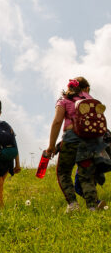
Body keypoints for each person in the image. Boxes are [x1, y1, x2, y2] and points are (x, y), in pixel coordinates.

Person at [45, 77, 108, 212]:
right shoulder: (90, 100)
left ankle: (73, 205)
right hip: (90, 143)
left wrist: (51, 146)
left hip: (70, 142)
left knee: (63, 172)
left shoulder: (64, 101)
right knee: (86, 177)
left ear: (70, 88)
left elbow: (57, 122)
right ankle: (92, 207)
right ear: (85, 89)